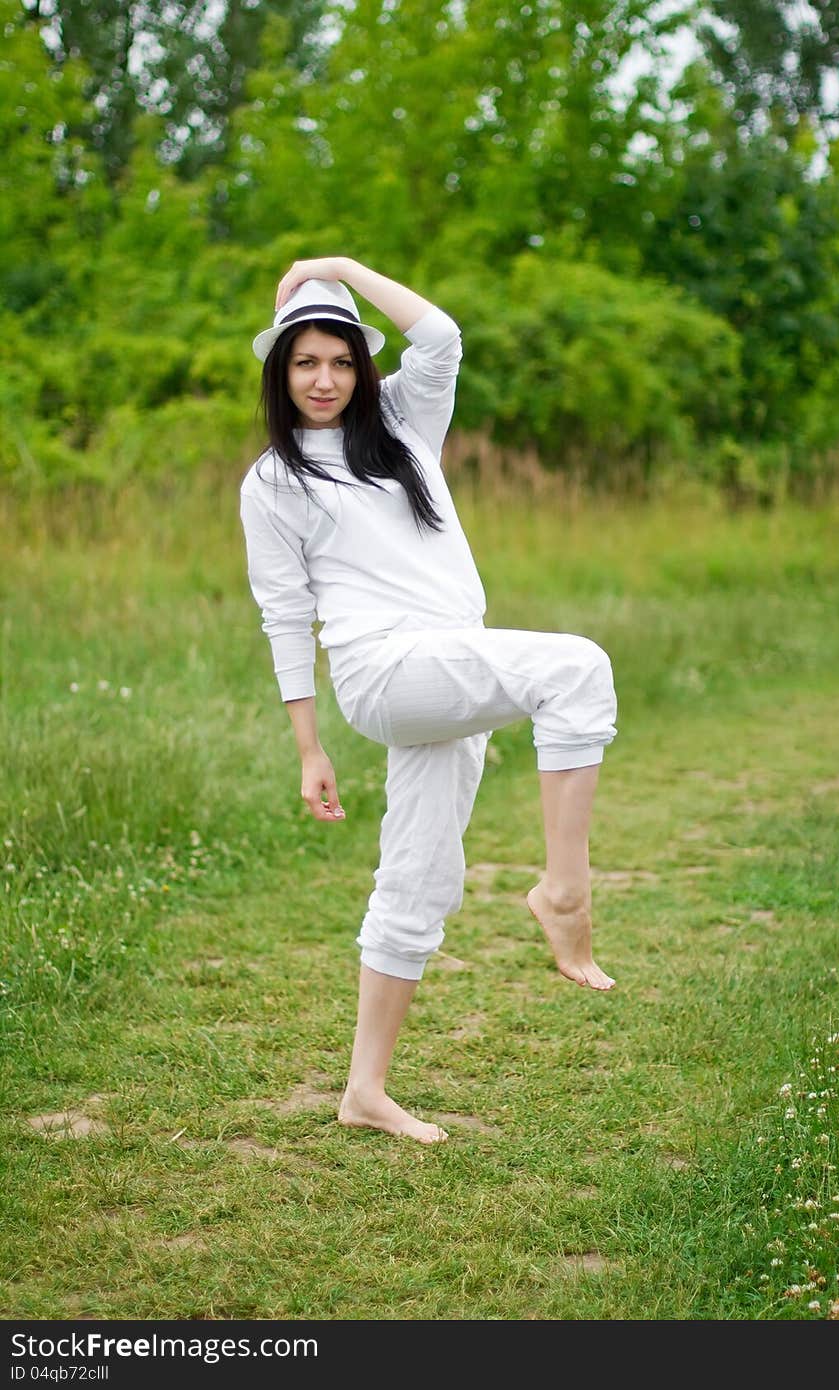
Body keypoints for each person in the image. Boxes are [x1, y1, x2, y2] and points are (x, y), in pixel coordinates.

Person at [239, 257, 618, 1145]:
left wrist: (335, 269)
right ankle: (565, 891)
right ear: (279, 375)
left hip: (449, 663)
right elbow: (286, 617)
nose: (324, 379)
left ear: (362, 369)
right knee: (578, 669)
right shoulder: (273, 483)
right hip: (384, 674)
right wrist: (309, 748)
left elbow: (441, 335)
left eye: (340, 360)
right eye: (304, 364)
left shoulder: (405, 427)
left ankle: (363, 1090)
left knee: (419, 878)